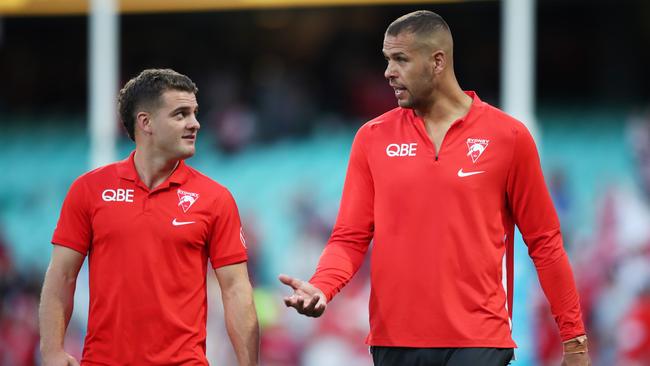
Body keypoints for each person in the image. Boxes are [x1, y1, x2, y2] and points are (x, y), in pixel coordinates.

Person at [279, 10, 590, 366]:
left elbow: (546, 244)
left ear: (437, 61)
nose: (388, 72)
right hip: (394, 342)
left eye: (401, 59)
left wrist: (574, 340)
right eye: (387, 60)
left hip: (479, 340)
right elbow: (349, 238)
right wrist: (322, 286)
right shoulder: (372, 138)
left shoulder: (508, 138)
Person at [39, 69, 259, 366]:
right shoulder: (89, 190)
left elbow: (236, 289)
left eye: (194, 113)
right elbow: (61, 276)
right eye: (180, 114)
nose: (195, 123)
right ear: (146, 123)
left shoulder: (215, 199)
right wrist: (52, 351)